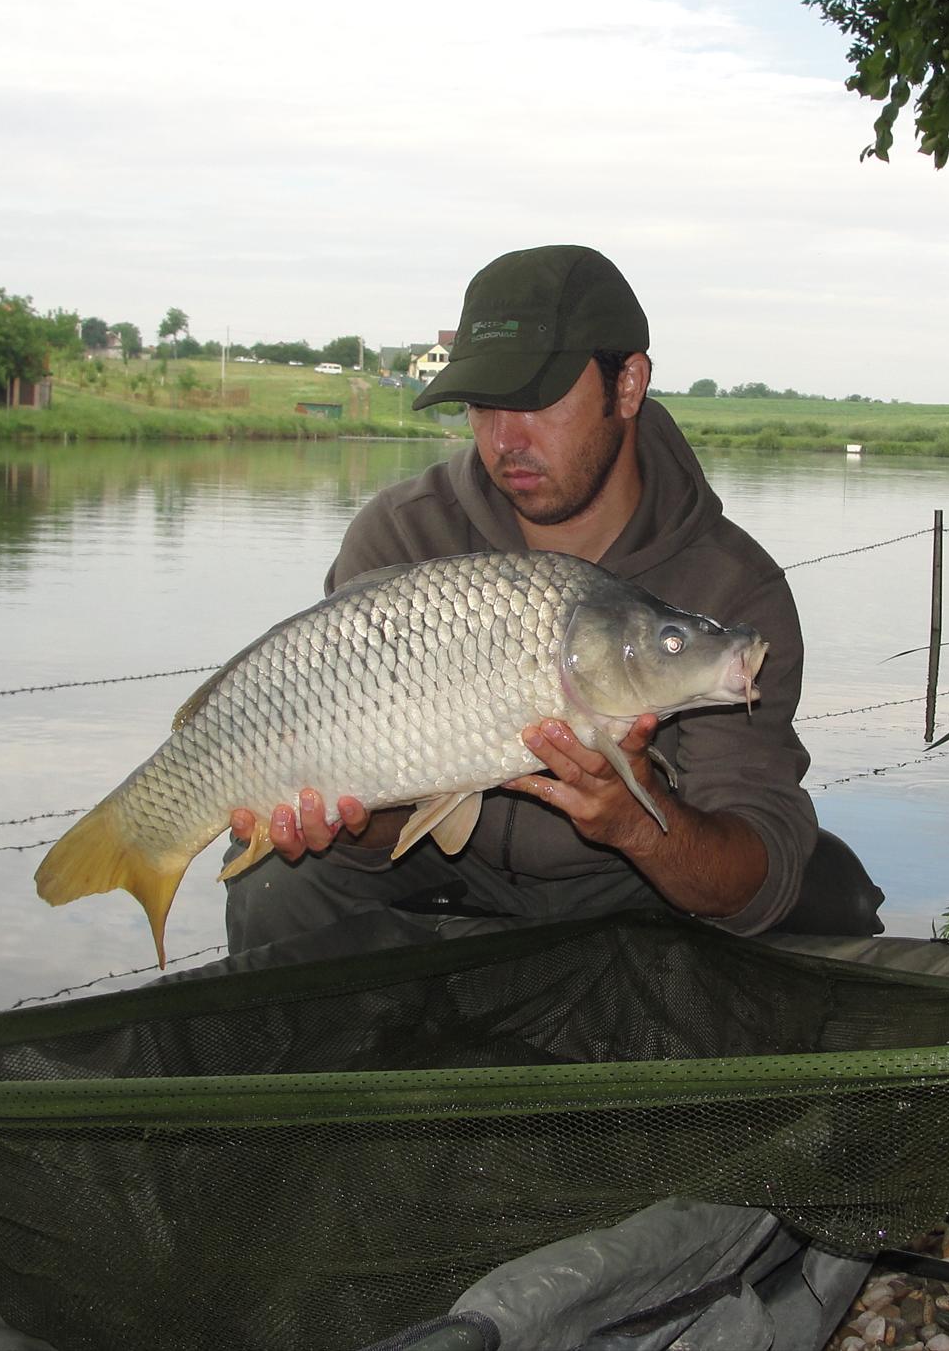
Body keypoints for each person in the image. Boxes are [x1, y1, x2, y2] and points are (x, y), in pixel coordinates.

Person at [223, 244, 818, 954]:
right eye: (482, 405)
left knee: (815, 895)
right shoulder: (404, 534)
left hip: (631, 887)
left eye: (536, 400)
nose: (505, 440)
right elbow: (388, 827)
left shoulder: (731, 582)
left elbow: (756, 869)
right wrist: (345, 822)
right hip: (438, 871)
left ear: (627, 385)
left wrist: (635, 820)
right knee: (278, 885)